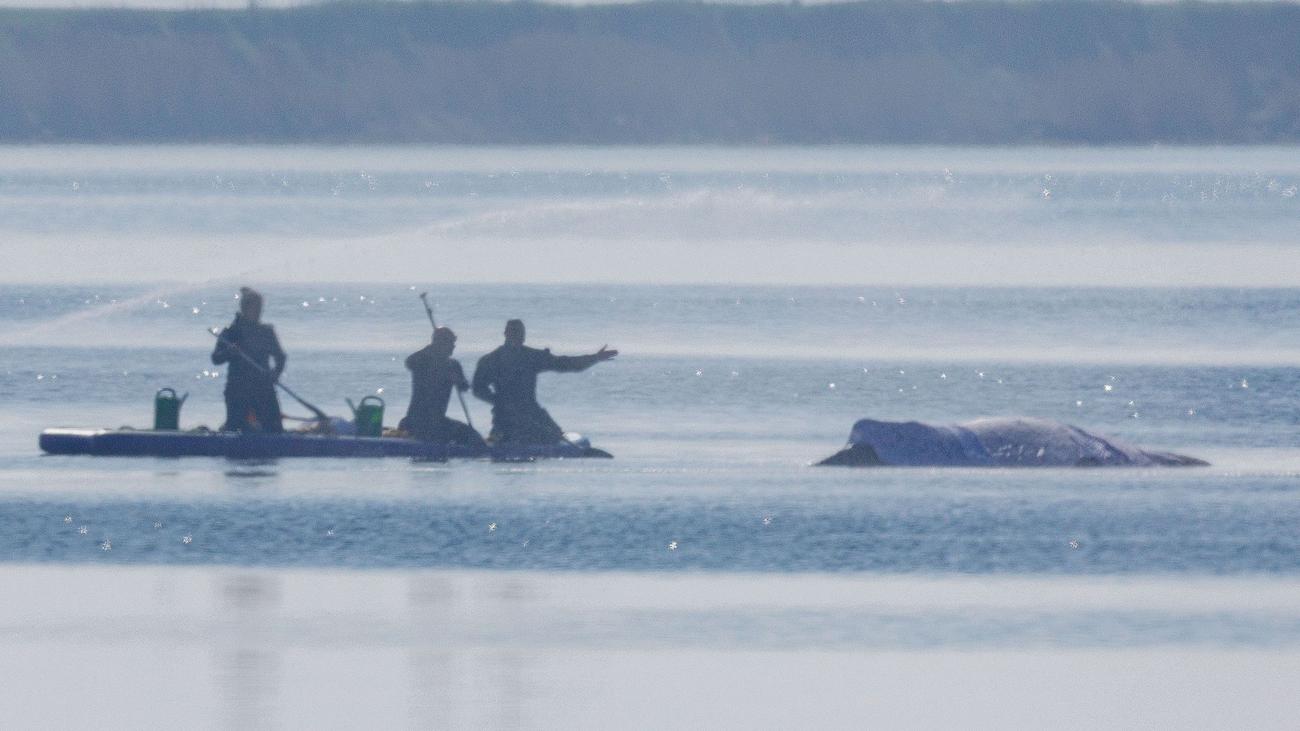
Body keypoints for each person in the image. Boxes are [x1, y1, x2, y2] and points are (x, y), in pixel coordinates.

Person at [472, 319, 617, 445]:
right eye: (514, 332)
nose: (518, 336)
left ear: (523, 336)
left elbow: (564, 363)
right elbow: (478, 388)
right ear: (506, 334)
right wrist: (500, 402)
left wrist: (594, 358)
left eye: (520, 333)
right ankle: (499, 437)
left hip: (533, 414)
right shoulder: (490, 360)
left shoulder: (531, 357)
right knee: (506, 434)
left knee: (556, 436)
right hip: (504, 417)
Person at [210, 287, 285, 433]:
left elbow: (280, 357)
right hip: (238, 389)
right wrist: (229, 352)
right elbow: (216, 358)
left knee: (275, 429)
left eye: (260, 309)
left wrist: (276, 373)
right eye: (255, 308)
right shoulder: (232, 332)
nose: (258, 312)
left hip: (263, 388)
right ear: (245, 309)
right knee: (235, 428)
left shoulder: (266, 332)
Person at [399, 326, 485, 448]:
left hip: (438, 420)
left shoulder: (453, 365)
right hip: (417, 420)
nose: (453, 347)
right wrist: (432, 348)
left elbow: (464, 387)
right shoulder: (423, 360)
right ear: (440, 343)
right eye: (450, 343)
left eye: (453, 343)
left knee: (473, 437)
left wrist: (458, 379)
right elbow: (409, 362)